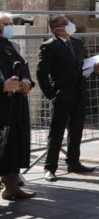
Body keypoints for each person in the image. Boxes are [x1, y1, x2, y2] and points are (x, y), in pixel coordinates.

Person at [36, 15, 99, 182]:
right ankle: (50, 167)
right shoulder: (49, 46)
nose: (70, 25)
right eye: (65, 23)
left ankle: (73, 162)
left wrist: (95, 68)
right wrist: (52, 95)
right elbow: (41, 73)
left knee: (76, 129)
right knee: (56, 132)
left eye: (69, 21)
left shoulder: (77, 43)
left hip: (78, 93)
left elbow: (81, 66)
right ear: (56, 28)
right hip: (62, 94)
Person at [0, 12, 36, 200]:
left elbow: (23, 68)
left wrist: (27, 83)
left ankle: (12, 187)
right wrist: (2, 86)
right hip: (2, 105)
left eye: (11, 23)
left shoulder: (12, 46)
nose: (9, 26)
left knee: (14, 143)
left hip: (17, 104)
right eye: (5, 23)